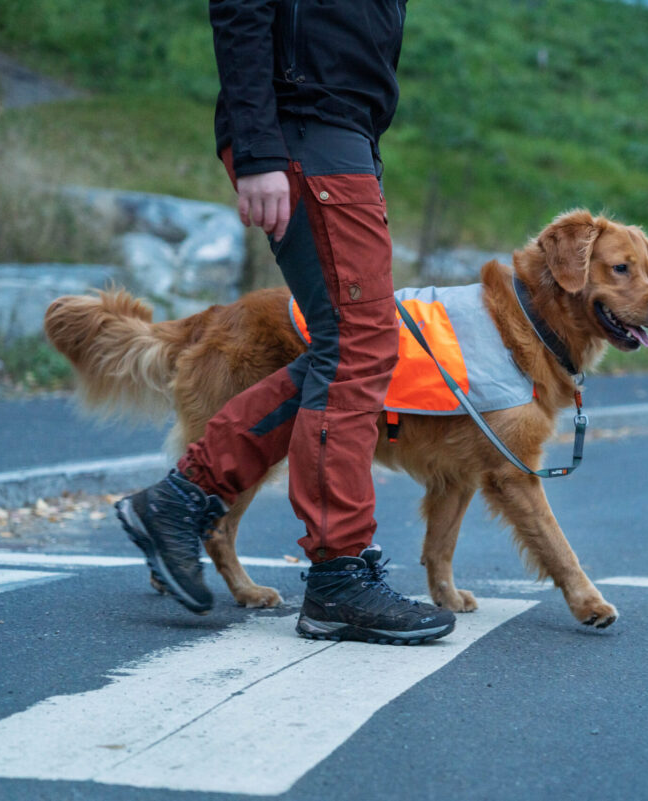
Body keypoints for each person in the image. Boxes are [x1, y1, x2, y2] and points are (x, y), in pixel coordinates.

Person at [114, 0, 455, 645]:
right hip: (305, 129)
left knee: (351, 348)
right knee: (359, 347)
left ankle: (181, 500)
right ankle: (337, 578)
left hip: (340, 133)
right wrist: (259, 147)